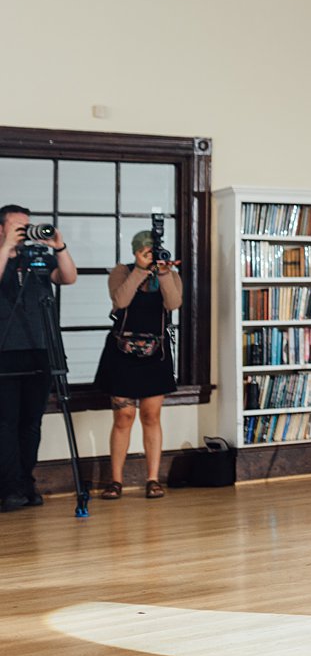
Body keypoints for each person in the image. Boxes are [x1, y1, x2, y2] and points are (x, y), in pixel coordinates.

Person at [95, 231, 182, 500]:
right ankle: (116, 480)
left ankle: (153, 479)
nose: (149, 255)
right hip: (122, 352)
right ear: (135, 252)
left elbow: (174, 303)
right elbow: (120, 301)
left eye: (152, 250)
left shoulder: (168, 272)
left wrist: (165, 274)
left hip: (155, 353)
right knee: (123, 417)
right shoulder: (122, 271)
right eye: (144, 251)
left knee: (150, 416)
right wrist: (140, 271)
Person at [0, 205, 76, 512]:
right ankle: (9, 487)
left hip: (41, 348)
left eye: (27, 226)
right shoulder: (5, 256)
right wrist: (6, 248)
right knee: (5, 423)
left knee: (31, 423)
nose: (24, 232)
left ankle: (25, 482)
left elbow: (68, 278)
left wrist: (59, 246)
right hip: (5, 351)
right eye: (18, 226)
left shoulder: (37, 258)